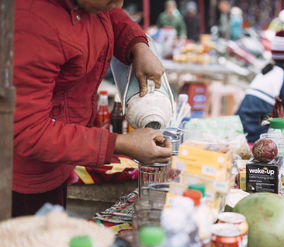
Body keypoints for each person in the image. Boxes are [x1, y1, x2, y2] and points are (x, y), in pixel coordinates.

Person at [13, 0, 172, 217]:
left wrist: (138, 45)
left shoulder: (92, 4)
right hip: (23, 177)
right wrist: (119, 143)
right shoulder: (33, 23)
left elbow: (109, 14)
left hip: (57, 161)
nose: (119, 2)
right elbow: (29, 131)